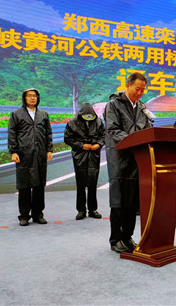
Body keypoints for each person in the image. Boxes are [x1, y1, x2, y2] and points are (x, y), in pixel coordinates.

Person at [104, 72, 152, 253]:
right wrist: (133, 143)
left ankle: (127, 237)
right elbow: (113, 129)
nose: (139, 93)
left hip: (137, 158)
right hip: (119, 157)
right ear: (127, 85)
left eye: (142, 90)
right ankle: (115, 239)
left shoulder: (142, 107)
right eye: (137, 89)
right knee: (119, 200)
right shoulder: (113, 105)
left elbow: (148, 129)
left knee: (133, 201)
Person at [8, 88, 53, 226]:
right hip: (23, 154)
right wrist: (13, 152)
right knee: (24, 186)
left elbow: (48, 133)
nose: (32, 98)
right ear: (24, 98)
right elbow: (12, 133)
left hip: (40, 154)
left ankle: (38, 214)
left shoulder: (43, 114)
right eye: (29, 96)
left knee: (39, 185)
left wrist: (49, 149)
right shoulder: (16, 114)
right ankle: (24, 215)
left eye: (35, 96)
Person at [64, 103, 105, 220]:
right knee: (80, 183)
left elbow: (104, 135)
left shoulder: (98, 122)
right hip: (79, 155)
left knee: (93, 182)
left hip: (93, 154)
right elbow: (68, 139)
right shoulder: (72, 124)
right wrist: (82, 145)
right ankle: (81, 210)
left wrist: (98, 144)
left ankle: (93, 209)